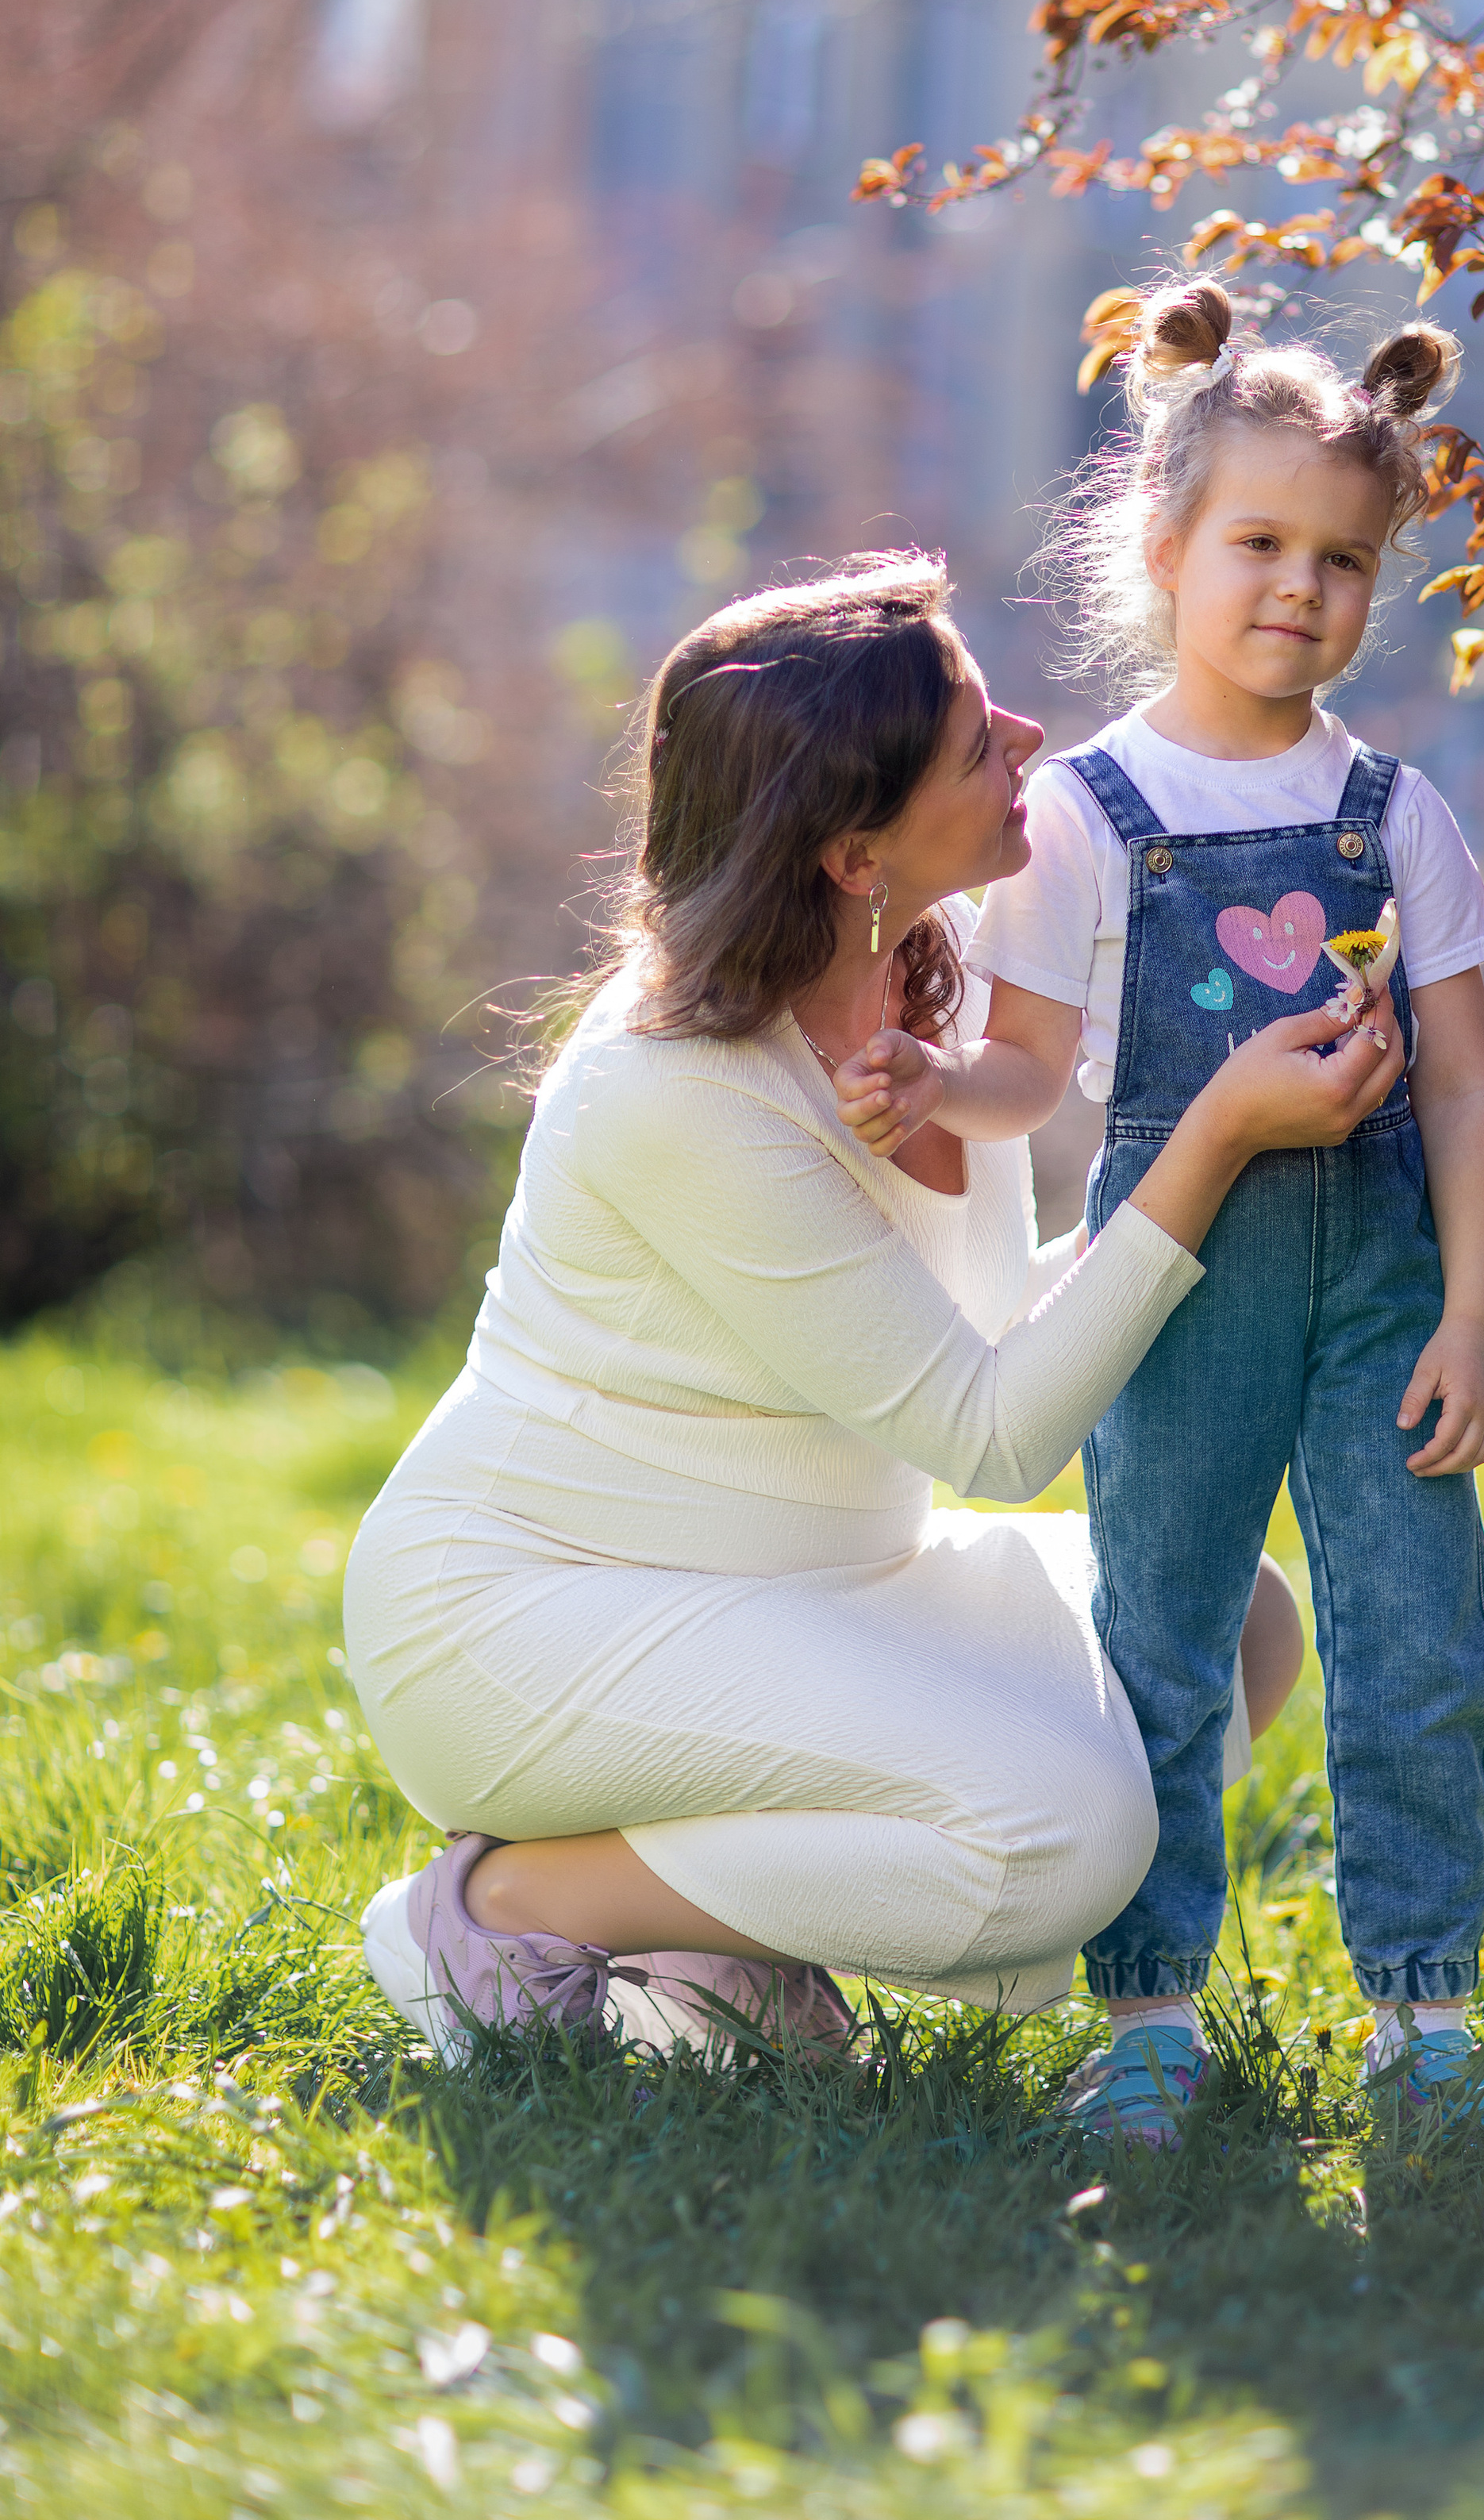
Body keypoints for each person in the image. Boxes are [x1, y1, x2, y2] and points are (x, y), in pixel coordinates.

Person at [344, 553, 1410, 2068]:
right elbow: (990, 1434)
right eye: (979, 741)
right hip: (524, 1619)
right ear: (854, 853)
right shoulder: (676, 1093)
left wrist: (1242, 1175)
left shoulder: (929, 1000)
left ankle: (698, 1954)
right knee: (1064, 1840)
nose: (1031, 738)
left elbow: (985, 1337)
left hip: (813, 1579)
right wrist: (1214, 1142)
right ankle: (505, 1907)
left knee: (1232, 1623)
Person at [831, 288, 1484, 2140]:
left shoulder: (1396, 816)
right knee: (1160, 1633)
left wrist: (1467, 1316)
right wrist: (927, 1086)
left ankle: (1423, 2017)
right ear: (1161, 548)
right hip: (1172, 1290)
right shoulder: (1081, 813)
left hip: (1382, 1300)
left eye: (1344, 559)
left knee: (1419, 1641)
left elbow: (1464, 1088)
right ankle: (1146, 2014)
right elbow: (1034, 1074)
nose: (1299, 586)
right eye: (1258, 543)